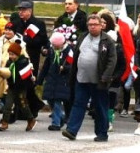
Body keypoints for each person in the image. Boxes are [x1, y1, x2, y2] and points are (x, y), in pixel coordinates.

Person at [62, 14, 117, 142]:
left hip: (99, 81)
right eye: (90, 25)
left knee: (100, 107)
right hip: (81, 78)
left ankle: (102, 133)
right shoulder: (82, 37)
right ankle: (71, 130)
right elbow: (76, 56)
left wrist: (106, 76)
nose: (92, 27)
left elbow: (112, 60)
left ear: (101, 25)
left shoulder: (107, 41)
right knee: (78, 104)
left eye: (95, 25)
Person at [0, 41, 38, 131]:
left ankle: (31, 119)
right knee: (8, 104)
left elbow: (27, 75)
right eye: (10, 54)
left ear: (18, 54)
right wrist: (3, 74)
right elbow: (7, 72)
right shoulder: (9, 63)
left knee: (23, 104)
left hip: (21, 87)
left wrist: (31, 78)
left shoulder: (23, 62)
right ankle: (4, 122)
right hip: (12, 87)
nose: (11, 56)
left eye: (13, 54)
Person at [38, 29, 73, 131]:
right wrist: (40, 80)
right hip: (51, 79)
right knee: (50, 100)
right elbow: (46, 65)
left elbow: (72, 65)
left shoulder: (69, 51)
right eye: (53, 45)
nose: (55, 47)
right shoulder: (52, 51)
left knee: (57, 102)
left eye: (57, 46)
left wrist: (65, 68)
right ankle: (61, 117)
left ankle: (56, 123)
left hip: (62, 80)